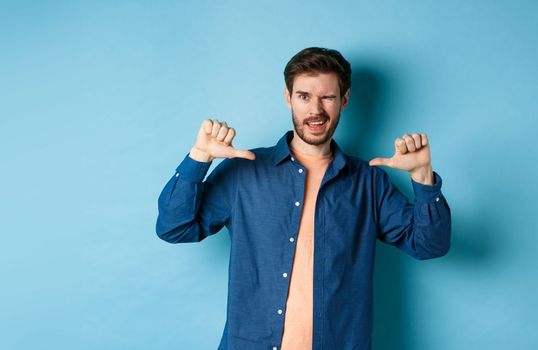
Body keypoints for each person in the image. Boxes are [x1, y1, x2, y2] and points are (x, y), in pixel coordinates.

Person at [155, 47, 451, 350]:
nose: (316, 110)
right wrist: (199, 157)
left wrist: (422, 177)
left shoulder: (369, 182)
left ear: (344, 100)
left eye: (328, 97)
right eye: (304, 96)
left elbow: (429, 244)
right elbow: (174, 227)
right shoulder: (244, 172)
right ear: (288, 97)